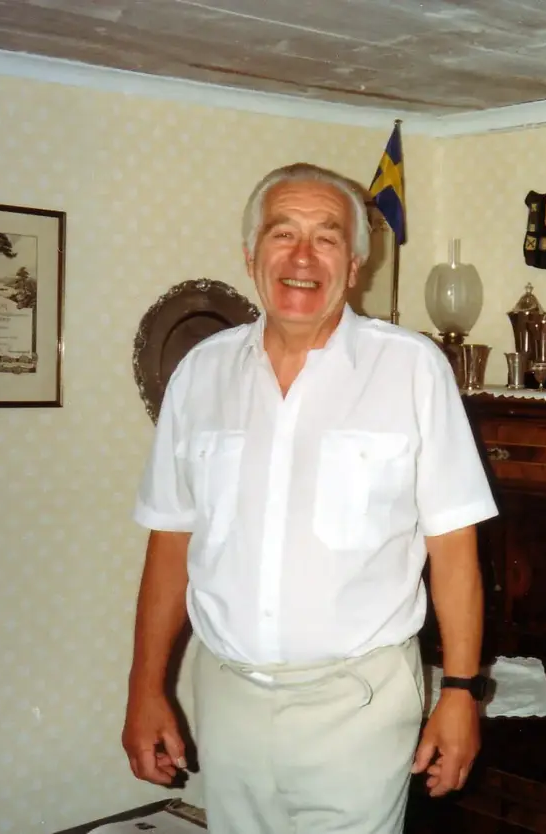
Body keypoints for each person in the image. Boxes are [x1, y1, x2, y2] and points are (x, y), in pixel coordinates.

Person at [121, 161, 499, 834]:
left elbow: (454, 550)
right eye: (282, 234)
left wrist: (462, 693)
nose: (302, 257)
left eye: (326, 237)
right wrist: (144, 689)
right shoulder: (200, 375)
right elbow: (171, 541)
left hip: (360, 705)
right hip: (228, 699)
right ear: (250, 255)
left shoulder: (412, 370)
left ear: (353, 265)